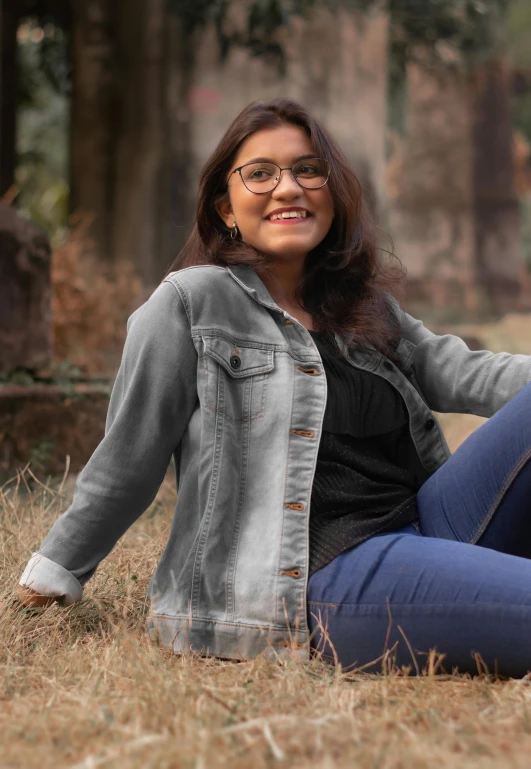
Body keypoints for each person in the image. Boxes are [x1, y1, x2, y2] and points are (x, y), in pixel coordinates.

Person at [17, 97, 531, 677]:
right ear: (225, 206)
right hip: (323, 572)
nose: (288, 187)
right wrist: (56, 571)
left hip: (427, 523)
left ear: (332, 195)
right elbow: (127, 460)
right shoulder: (188, 304)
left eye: (308, 170)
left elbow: (468, 372)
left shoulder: (362, 306)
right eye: (260, 173)